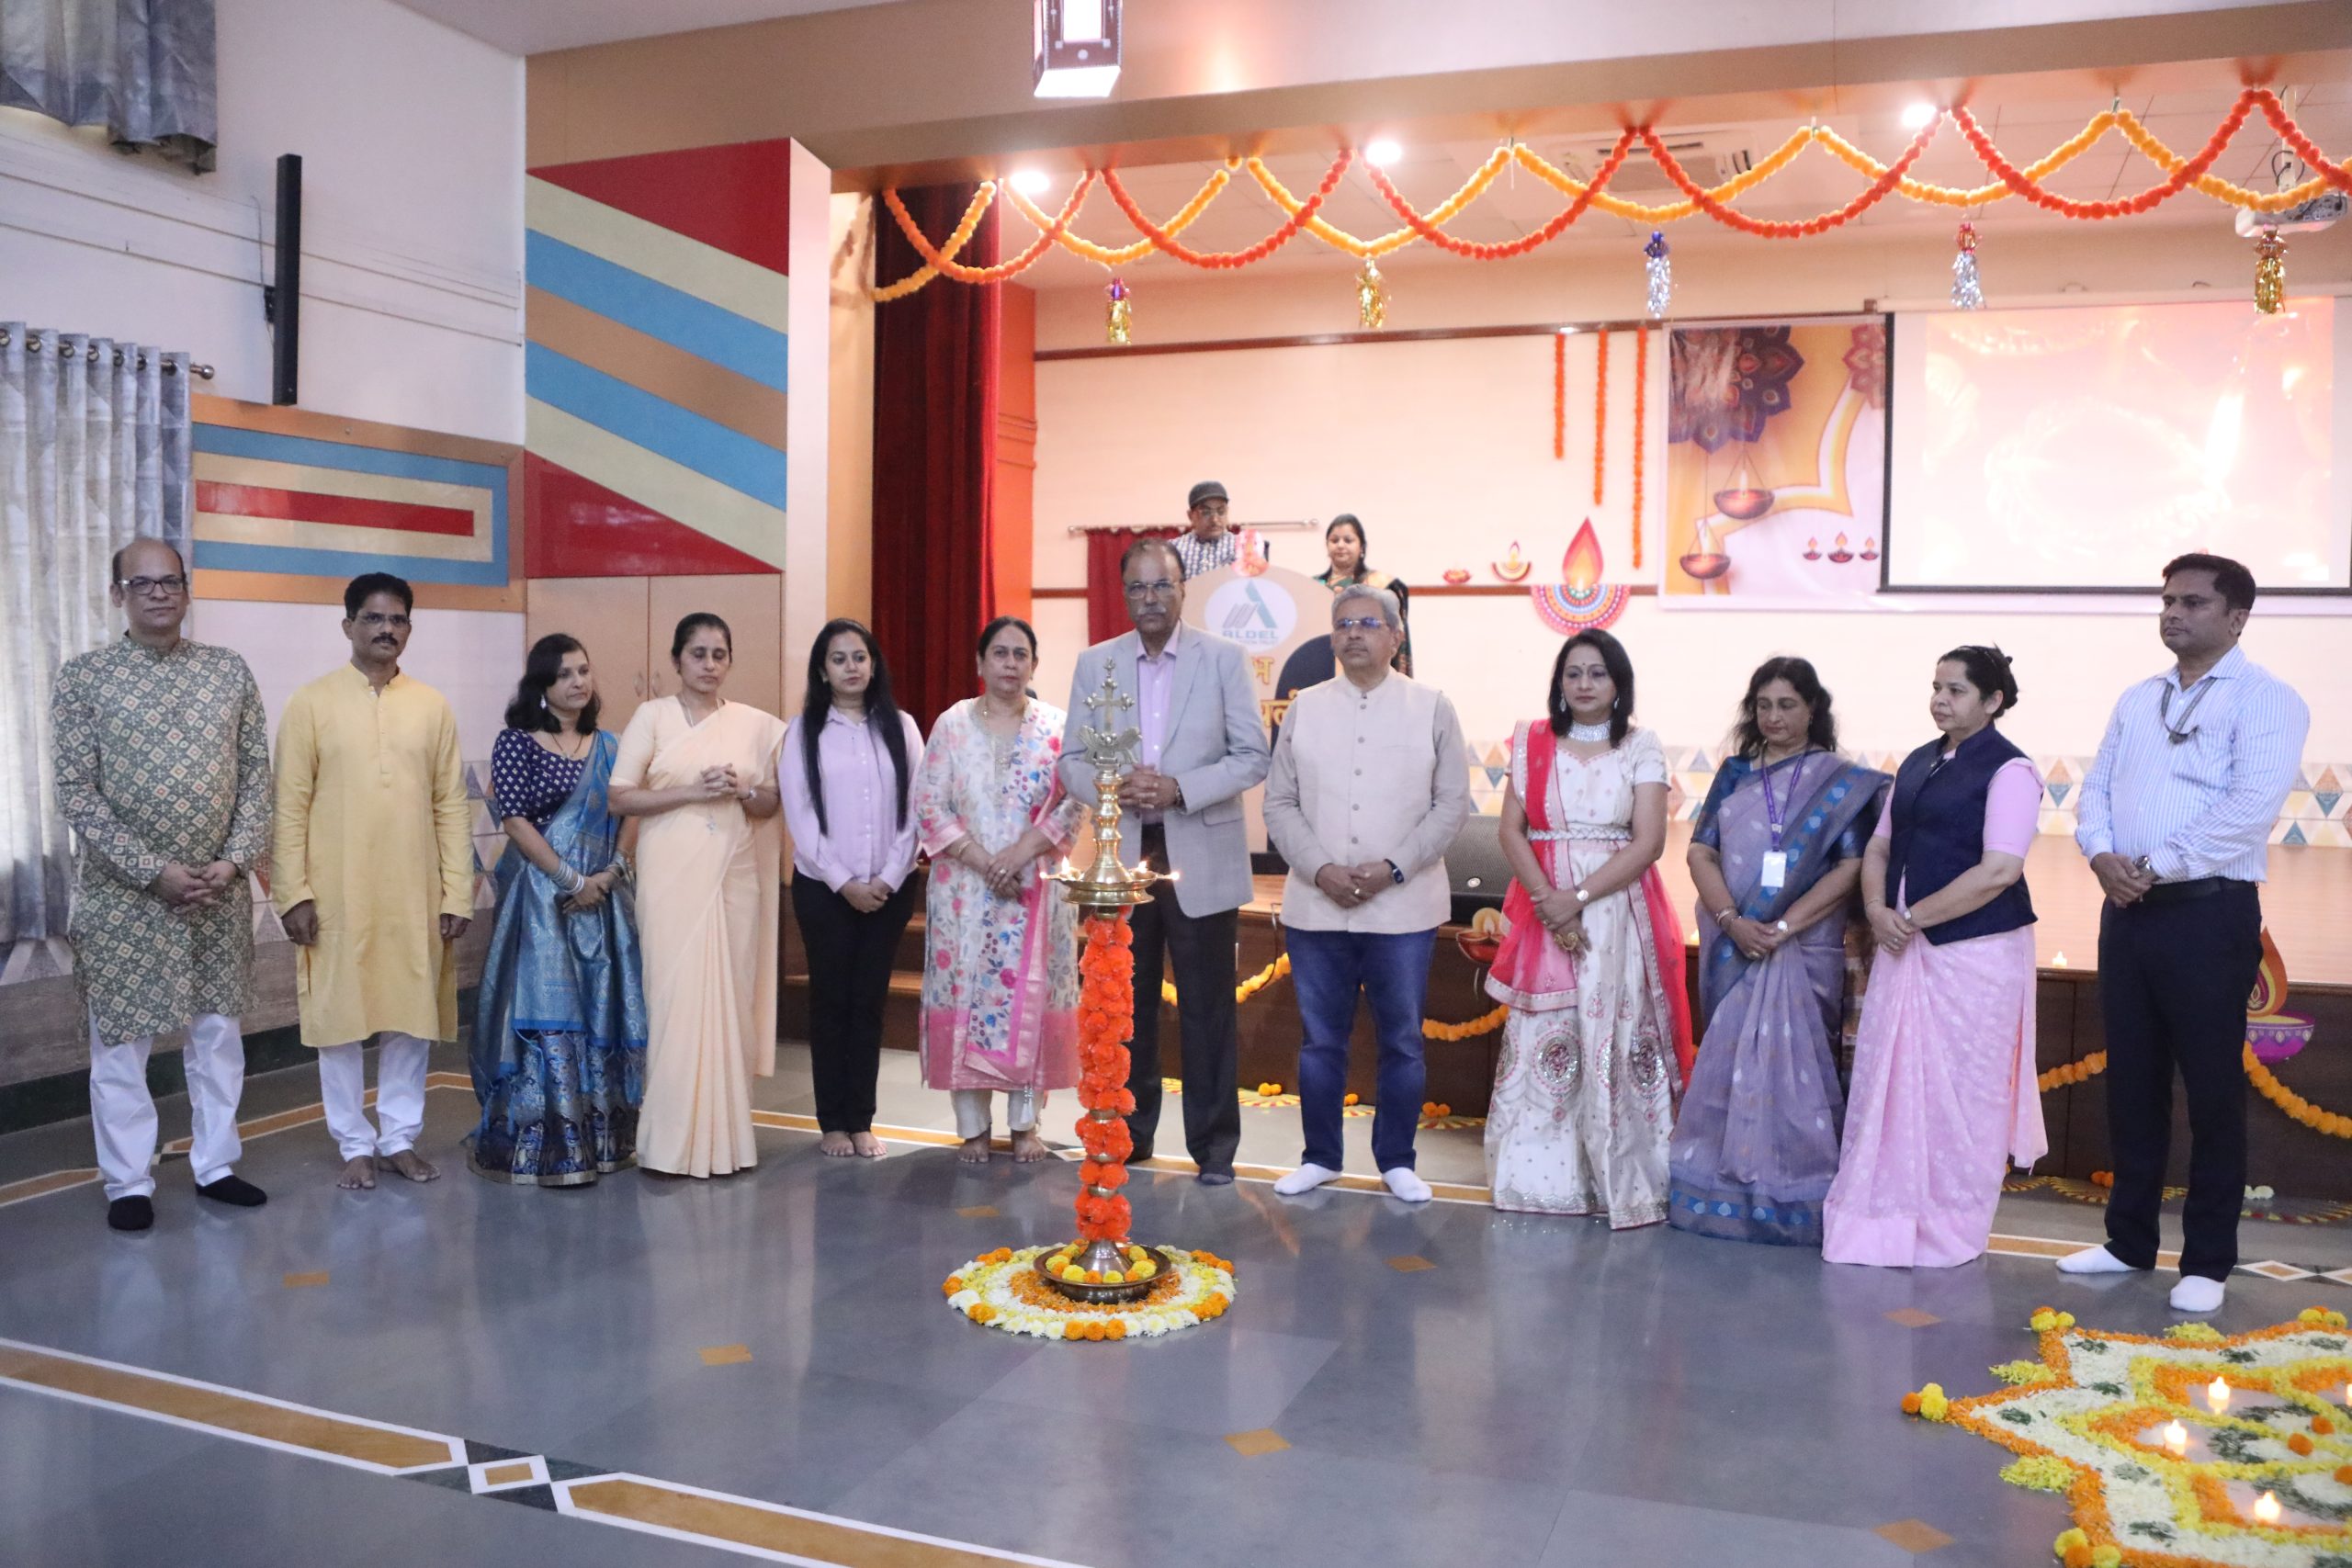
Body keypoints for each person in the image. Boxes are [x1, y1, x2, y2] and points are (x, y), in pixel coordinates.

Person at [2062, 553, 2309, 1314]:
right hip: (2128, 910)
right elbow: (2097, 789)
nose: (2173, 612)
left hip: (2207, 912)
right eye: (2168, 599)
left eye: (2193, 602)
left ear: (2236, 618)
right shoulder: (2140, 697)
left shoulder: (2269, 700)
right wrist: (2101, 855)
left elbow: (2249, 807)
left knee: (2211, 1089)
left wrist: (2151, 865)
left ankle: (2207, 1259)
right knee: (2132, 1082)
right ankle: (2127, 1240)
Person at [51, 539, 273, 1231]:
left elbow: (257, 777)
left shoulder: (227, 670)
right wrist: (154, 870)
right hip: (125, 897)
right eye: (142, 582)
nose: (158, 593)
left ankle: (216, 1164)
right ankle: (128, 1182)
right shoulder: (84, 678)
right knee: (121, 1046)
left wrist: (233, 860)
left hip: (217, 891)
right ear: (117, 593)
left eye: (170, 581)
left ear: (186, 590)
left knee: (218, 1035)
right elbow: (75, 792)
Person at [1824, 647, 2047, 1267]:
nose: (1940, 700)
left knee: (1962, 1098)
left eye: (1956, 690)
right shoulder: (1920, 760)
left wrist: (1911, 918)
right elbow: (1880, 846)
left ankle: (1950, 1227)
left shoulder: (2011, 770)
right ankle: (1882, 1220)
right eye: (1936, 688)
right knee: (1892, 1085)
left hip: (1974, 956)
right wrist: (1876, 910)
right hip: (1904, 945)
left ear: (1993, 701)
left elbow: (1999, 870)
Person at [1061, 538, 1272, 1184]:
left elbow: (1252, 756)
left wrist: (1180, 787)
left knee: (1209, 1008)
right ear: (1124, 594)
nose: (1149, 598)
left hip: (1199, 849)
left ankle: (1214, 1148)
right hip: (1122, 856)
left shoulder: (1224, 659)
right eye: (1138, 587)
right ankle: (1130, 1135)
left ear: (1183, 589)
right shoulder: (1096, 662)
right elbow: (1070, 760)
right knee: (1127, 1003)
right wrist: (1111, 786)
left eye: (1162, 585)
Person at [1668, 657, 1887, 1246]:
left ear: (1813, 709)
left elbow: (1851, 865)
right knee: (1729, 1056)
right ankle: (1717, 1187)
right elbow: (1700, 851)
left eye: (1787, 705)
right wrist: (1731, 921)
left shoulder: (1839, 782)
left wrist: (1783, 926)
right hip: (1735, 941)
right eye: (1763, 705)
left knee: (1796, 1071)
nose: (1773, 717)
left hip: (1803, 945)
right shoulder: (1736, 773)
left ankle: (1795, 1191)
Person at [1263, 585, 1468, 1203]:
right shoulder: (1305, 708)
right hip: (1317, 905)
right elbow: (1279, 802)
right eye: (1343, 623)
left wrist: (1394, 868)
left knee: (1401, 1039)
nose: (1353, 632)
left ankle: (1397, 1161)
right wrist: (1320, 868)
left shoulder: (1431, 707)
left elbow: (1451, 804)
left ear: (1396, 637)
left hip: (1402, 908)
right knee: (1320, 1041)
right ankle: (1320, 1156)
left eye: (1368, 623)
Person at [274, 572, 474, 1190]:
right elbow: (289, 806)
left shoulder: (432, 706)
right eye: (373, 618)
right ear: (348, 626)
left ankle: (398, 1137)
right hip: (336, 892)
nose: (387, 629)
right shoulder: (311, 703)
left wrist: (456, 891)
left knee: (410, 1015)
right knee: (339, 1019)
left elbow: (450, 805)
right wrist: (293, 893)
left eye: (398, 619)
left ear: (409, 628)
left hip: (414, 891)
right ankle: (354, 1144)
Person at [1485, 630, 1692, 1225]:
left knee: (1613, 1029)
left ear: (1618, 683)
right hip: (1544, 903)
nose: (1583, 684)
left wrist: (1575, 897)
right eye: (1572, 673)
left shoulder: (1640, 745)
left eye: (1597, 673)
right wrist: (1549, 903)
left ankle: (1620, 1178)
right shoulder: (1532, 740)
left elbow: (1648, 842)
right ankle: (1540, 1180)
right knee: (1548, 1029)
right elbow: (1511, 830)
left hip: (1615, 909)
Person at [608, 614, 787, 1179]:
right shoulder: (653, 716)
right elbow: (620, 797)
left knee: (731, 1000)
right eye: (698, 654)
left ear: (730, 661)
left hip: (734, 876)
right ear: (676, 661)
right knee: (674, 1001)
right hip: (670, 878)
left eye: (719, 654)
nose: (709, 665)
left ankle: (728, 1142)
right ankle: (668, 1145)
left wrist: (744, 789)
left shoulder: (755, 726)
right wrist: (692, 790)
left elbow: (771, 804)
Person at [468, 635, 647, 1186]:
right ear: (541, 685)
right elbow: (515, 819)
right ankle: (546, 1142)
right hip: (541, 901)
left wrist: (610, 874)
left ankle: (604, 1138)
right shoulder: (517, 743)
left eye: (584, 671)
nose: (578, 682)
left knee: (599, 1009)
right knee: (549, 1010)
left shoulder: (612, 746)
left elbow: (630, 809)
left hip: (603, 899)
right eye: (565, 673)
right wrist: (569, 879)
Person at [913, 616, 1084, 1163]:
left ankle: (1026, 1125)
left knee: (1028, 1003)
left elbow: (1073, 804)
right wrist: (988, 863)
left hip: (1034, 888)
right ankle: (973, 1128)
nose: (1011, 664)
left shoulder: (1057, 727)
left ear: (1034, 665)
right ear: (980, 662)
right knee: (968, 1002)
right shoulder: (952, 724)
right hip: (965, 891)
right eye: (1000, 653)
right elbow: (930, 805)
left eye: (1020, 654)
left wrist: (1019, 856)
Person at [781, 618, 922, 1159]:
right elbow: (801, 816)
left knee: (869, 1003)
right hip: (824, 890)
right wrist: (844, 883)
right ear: (823, 670)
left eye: (859, 657)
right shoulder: (803, 731)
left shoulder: (901, 726)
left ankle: (861, 1119)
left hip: (889, 888)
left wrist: (888, 877)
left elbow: (918, 808)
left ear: (873, 664)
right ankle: (832, 1123)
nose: (851, 668)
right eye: (838, 659)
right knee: (831, 1001)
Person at [1312, 514, 1412, 675]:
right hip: (1320, 668)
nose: (1340, 545)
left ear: (1362, 547)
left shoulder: (1383, 585)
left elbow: (1397, 641)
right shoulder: (1313, 587)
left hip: (1371, 670)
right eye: (1334, 540)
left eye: (1348, 540)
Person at [1170, 479, 1241, 581]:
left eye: (1221, 511)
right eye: (1206, 512)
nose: (1215, 519)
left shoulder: (1243, 547)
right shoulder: (1174, 549)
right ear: (1190, 515)